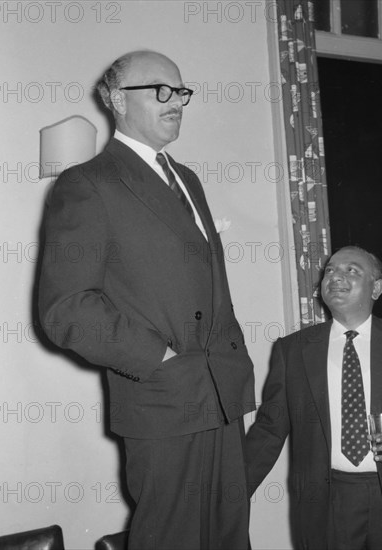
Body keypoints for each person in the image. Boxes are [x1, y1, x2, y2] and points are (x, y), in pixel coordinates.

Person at [38, 50, 255, 550]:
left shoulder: (188, 179)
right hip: (164, 398)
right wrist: (159, 358)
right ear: (117, 99)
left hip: (222, 394)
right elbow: (65, 307)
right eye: (160, 89)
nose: (176, 100)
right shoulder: (87, 184)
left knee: (228, 539)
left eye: (180, 91)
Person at [246, 246, 382, 550]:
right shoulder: (293, 350)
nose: (336, 276)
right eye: (331, 270)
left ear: (376, 288)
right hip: (326, 503)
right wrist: (227, 493)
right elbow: (269, 429)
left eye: (352, 270)